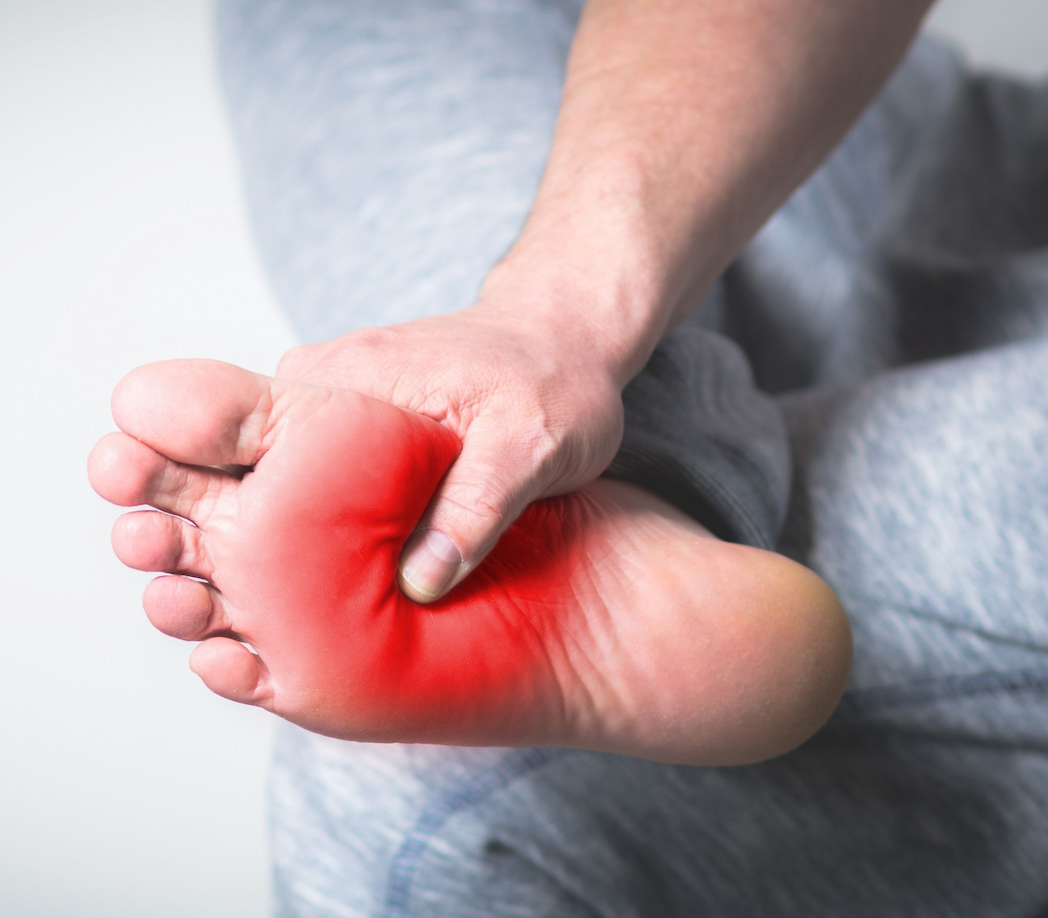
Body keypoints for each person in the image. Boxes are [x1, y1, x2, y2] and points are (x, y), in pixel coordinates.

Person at [91, 0, 1048, 913]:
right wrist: (560, 315)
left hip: (894, 227)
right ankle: (576, 458)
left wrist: (556, 313)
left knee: (396, 805)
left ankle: (572, 474)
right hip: (831, 144)